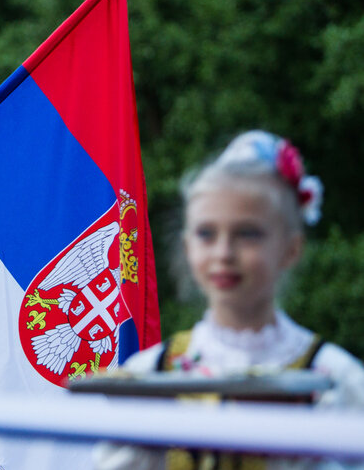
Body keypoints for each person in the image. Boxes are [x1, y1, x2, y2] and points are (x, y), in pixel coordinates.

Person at [93, 131, 364, 469]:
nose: (223, 253)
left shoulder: (338, 382)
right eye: (206, 234)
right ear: (188, 246)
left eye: (247, 234)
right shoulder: (152, 375)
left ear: (291, 249)